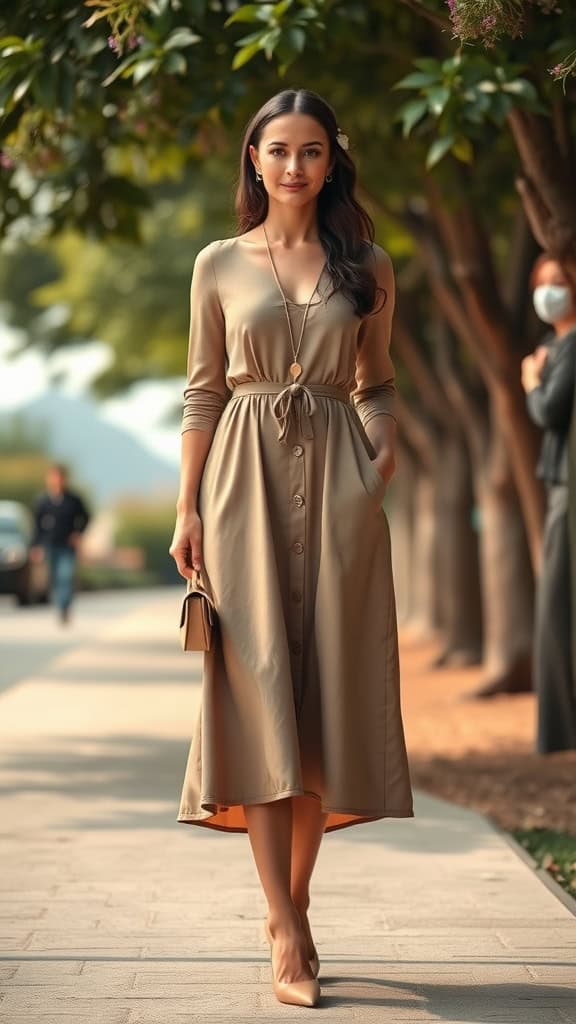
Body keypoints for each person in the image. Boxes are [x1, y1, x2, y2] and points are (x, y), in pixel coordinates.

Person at [168, 88, 414, 1008]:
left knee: (320, 710)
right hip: (240, 496)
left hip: (342, 499)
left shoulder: (369, 263)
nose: (295, 166)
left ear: (330, 158)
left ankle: (294, 910)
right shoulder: (217, 265)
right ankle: (286, 929)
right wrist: (186, 508)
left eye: (312, 150)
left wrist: (383, 452)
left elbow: (377, 382)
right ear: (255, 158)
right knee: (259, 694)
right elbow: (200, 392)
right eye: (279, 150)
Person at [521, 253, 576, 753]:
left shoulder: (570, 345)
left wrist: (533, 384)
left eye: (560, 283)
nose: (550, 293)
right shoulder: (552, 344)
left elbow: (549, 411)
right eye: (543, 283)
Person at [29, 462, 91, 624]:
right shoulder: (43, 501)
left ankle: (64, 606)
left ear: (65, 479)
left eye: (59, 477)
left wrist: (78, 533)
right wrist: (36, 546)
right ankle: (60, 603)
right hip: (49, 545)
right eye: (53, 477)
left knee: (66, 575)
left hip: (67, 546)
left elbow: (86, 517)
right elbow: (36, 525)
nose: (56, 481)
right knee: (54, 577)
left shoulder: (74, 500)